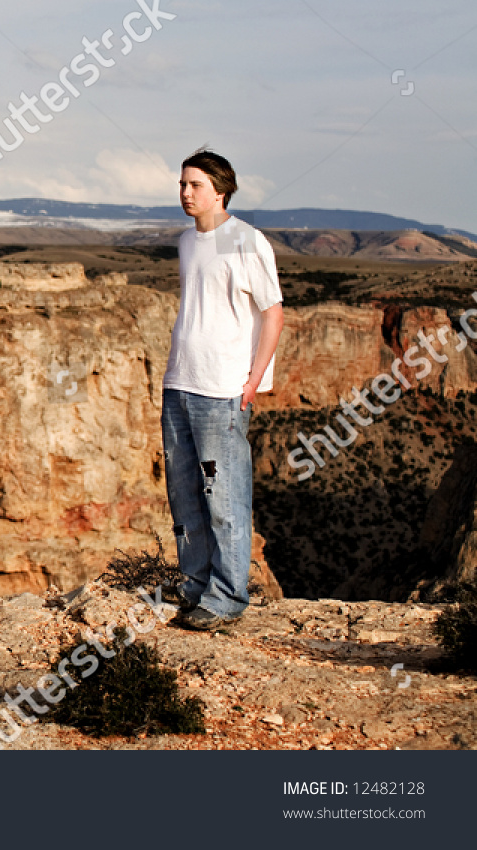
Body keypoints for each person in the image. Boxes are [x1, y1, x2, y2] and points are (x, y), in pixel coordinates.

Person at [162, 148, 284, 630]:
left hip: (222, 390)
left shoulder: (248, 242)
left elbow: (273, 311)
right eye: (182, 183)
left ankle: (229, 596)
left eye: (194, 185)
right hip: (179, 383)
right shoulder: (187, 242)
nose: (185, 193)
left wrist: (254, 380)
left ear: (221, 190)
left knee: (224, 495)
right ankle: (194, 585)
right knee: (185, 494)